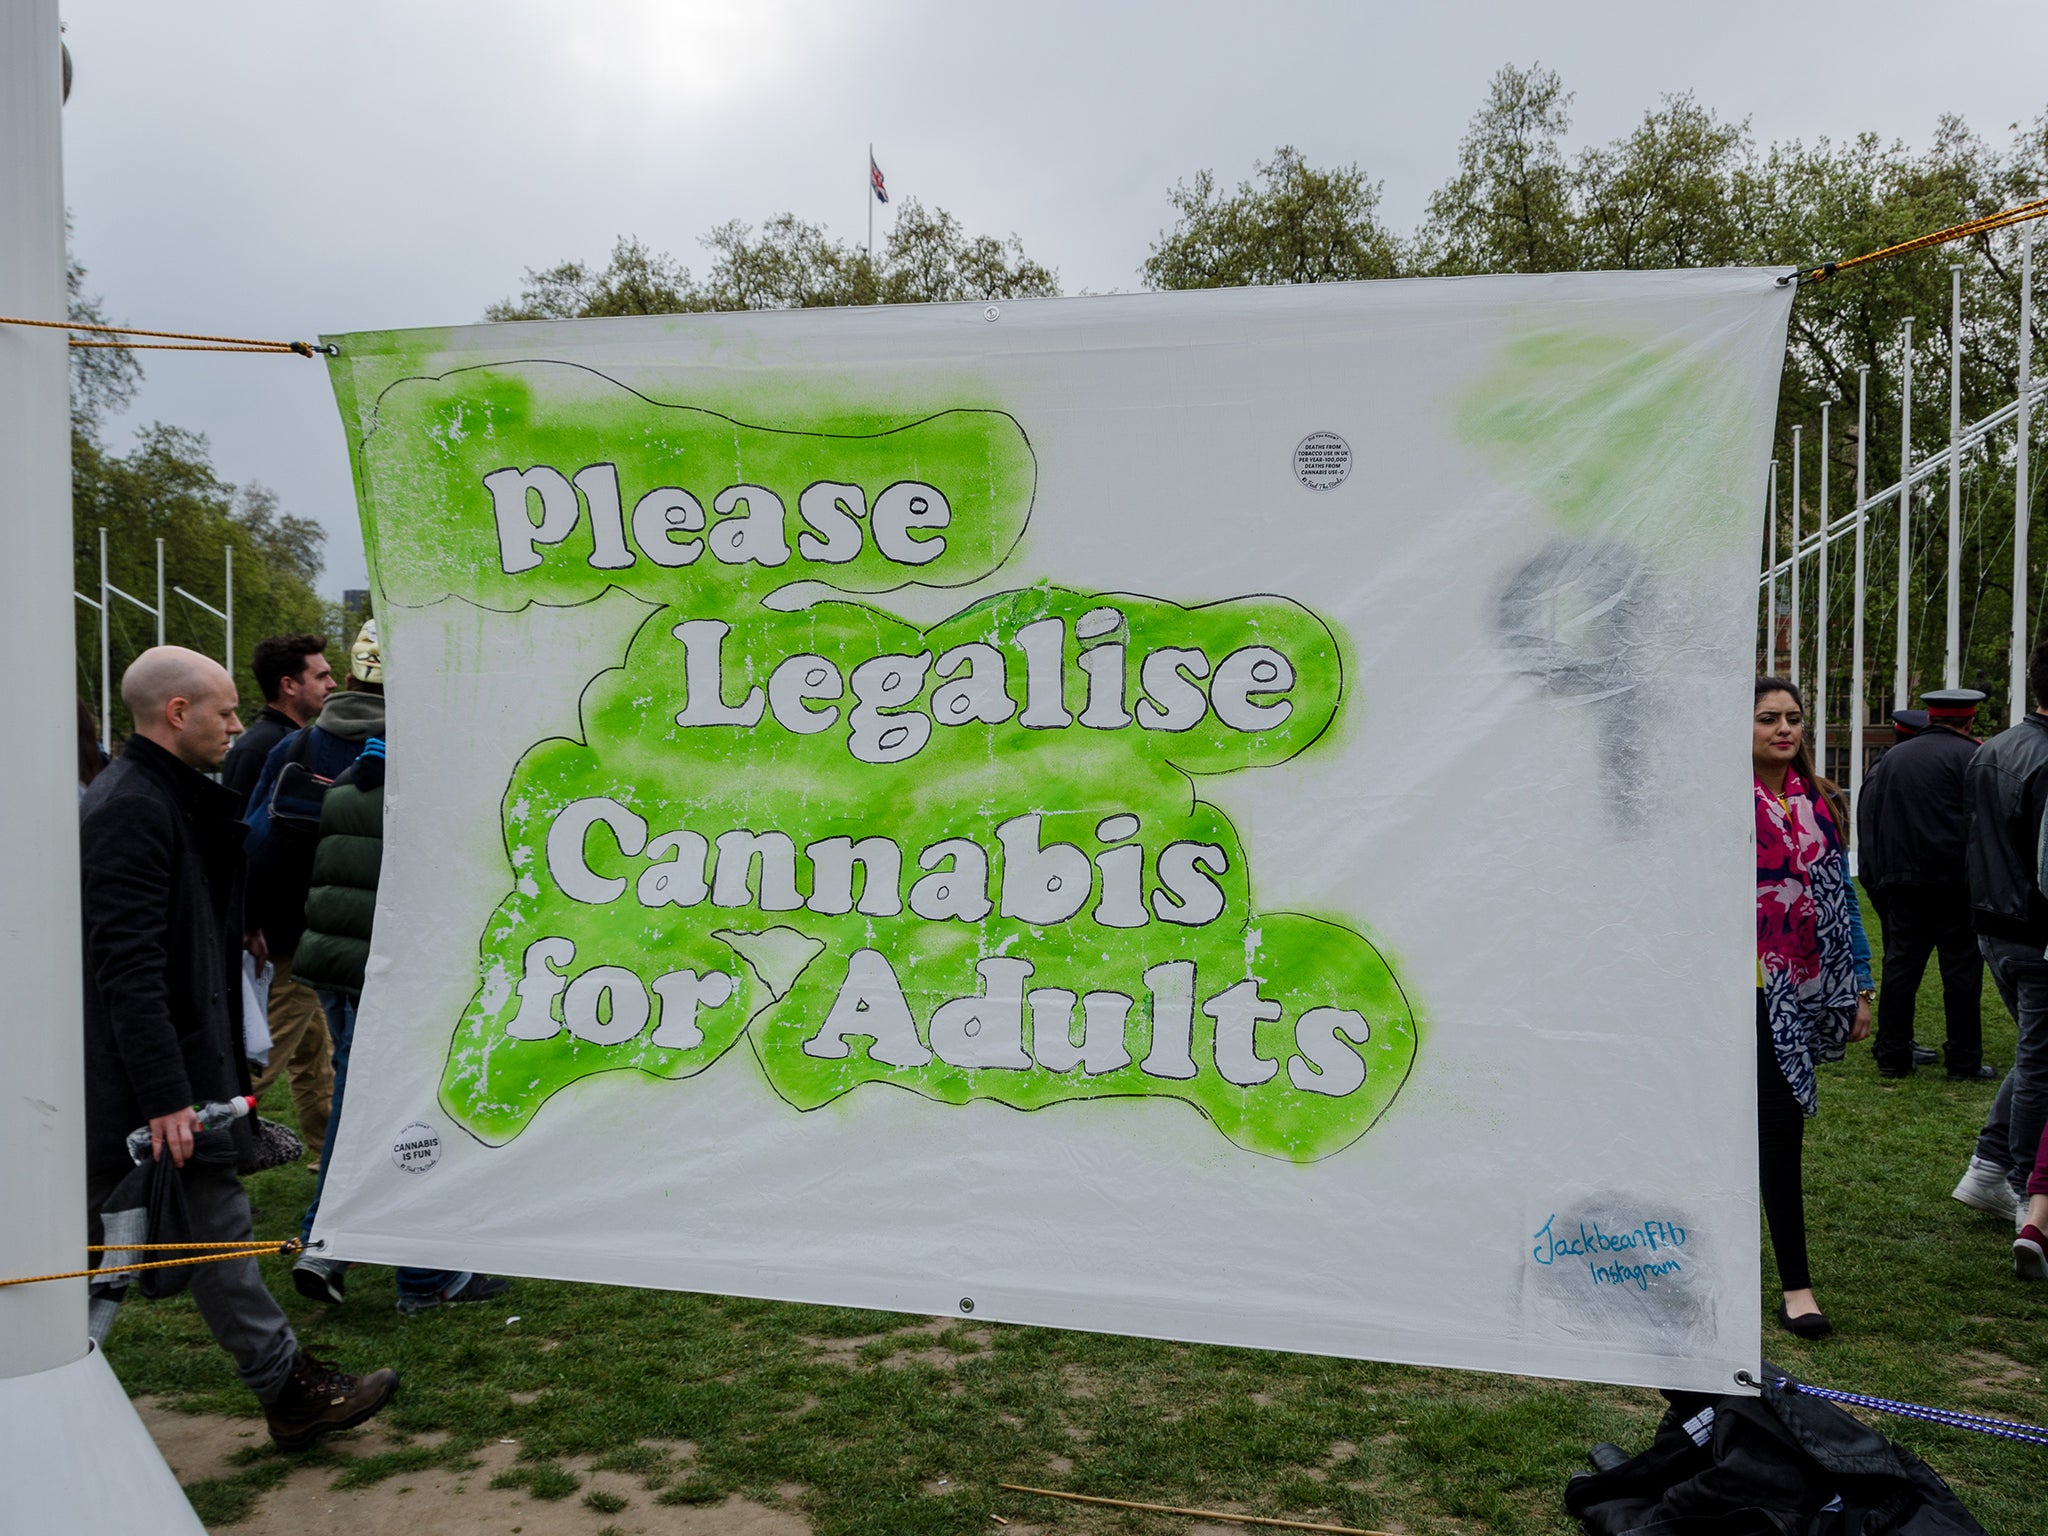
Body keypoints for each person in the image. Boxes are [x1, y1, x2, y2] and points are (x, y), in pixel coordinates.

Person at [79, 645, 396, 1448]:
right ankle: (282, 1388)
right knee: (113, 1258)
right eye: (221, 711)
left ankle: (287, 1386)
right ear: (176, 713)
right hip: (154, 1085)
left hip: (185, 1073)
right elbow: (128, 968)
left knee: (208, 1232)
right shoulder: (129, 809)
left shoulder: (166, 798)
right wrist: (164, 1097)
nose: (233, 724)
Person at [287, 628, 510, 1314]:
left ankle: (345, 1249)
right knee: (399, 1114)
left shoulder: (341, 776)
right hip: (389, 973)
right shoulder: (415, 796)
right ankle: (394, 1266)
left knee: (373, 1109)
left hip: (340, 963)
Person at [239, 630, 383, 1171]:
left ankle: (334, 1160)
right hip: (360, 938)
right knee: (313, 1055)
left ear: (347, 681)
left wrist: (250, 918)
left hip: (311, 935)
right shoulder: (423, 743)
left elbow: (252, 841)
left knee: (327, 1054)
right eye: (315, 675)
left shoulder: (295, 744)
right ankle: (214, 1142)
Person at [1753, 677, 1870, 1338]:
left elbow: (1844, 899)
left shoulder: (1822, 802)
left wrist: (1859, 982)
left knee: (1780, 1129)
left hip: (1795, 992)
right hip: (1728, 991)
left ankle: (1797, 1289)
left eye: (1793, 717)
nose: (1784, 729)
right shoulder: (1720, 803)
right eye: (1769, 718)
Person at [1952, 643, 2048, 1223]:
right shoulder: (2036, 755)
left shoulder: (1998, 748)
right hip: (2035, 931)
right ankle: (2020, 1189)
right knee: (2040, 1063)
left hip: (1997, 924)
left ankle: (1989, 1168)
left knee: (2037, 1054)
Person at [1855, 687, 1993, 1080]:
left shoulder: (1892, 759)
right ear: (1968, 720)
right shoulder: (1974, 756)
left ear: (1930, 717)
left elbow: (1875, 820)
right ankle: (1964, 1062)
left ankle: (1893, 1057)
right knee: (1962, 974)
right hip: (1957, 884)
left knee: (1901, 969)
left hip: (1902, 882)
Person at [221, 633, 335, 809]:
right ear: (289, 685)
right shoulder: (260, 748)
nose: (332, 684)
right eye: (321, 676)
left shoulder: (271, 742)